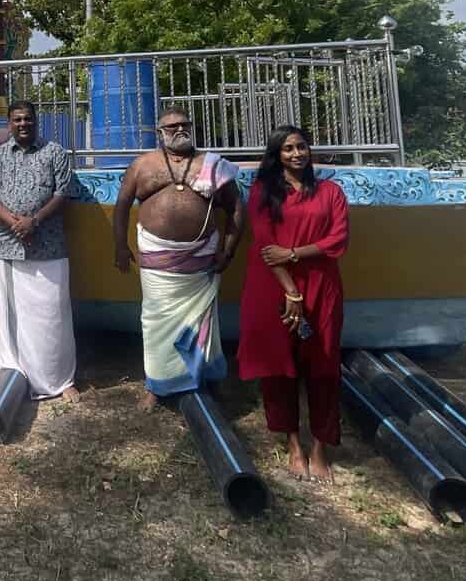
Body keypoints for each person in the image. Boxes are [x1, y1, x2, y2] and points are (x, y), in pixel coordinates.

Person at [112, 104, 244, 410]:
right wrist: (120, 246)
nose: (180, 130)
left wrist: (229, 249)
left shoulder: (212, 164)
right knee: (155, 322)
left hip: (203, 257)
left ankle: (207, 378)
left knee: (204, 321)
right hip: (157, 258)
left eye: (185, 124)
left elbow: (235, 208)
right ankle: (157, 384)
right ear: (160, 133)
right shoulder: (143, 165)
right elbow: (122, 206)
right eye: (172, 127)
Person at [238, 125, 349, 482]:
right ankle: (293, 444)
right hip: (275, 286)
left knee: (324, 364)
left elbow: (337, 239)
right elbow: (265, 246)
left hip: (322, 286)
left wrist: (294, 253)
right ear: (277, 155)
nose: (297, 154)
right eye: (288, 149)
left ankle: (320, 447)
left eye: (301, 146)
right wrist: (291, 291)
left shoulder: (331, 192)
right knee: (279, 367)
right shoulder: (263, 192)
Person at [0, 100, 79, 401]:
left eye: (28, 119)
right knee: (2, 316)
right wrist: (16, 223)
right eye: (17, 119)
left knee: (51, 315)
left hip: (48, 246)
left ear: (36, 121)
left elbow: (64, 193)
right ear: (9, 123)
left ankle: (59, 379)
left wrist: (34, 222)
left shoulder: (55, 153)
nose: (23, 124)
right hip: (5, 245)